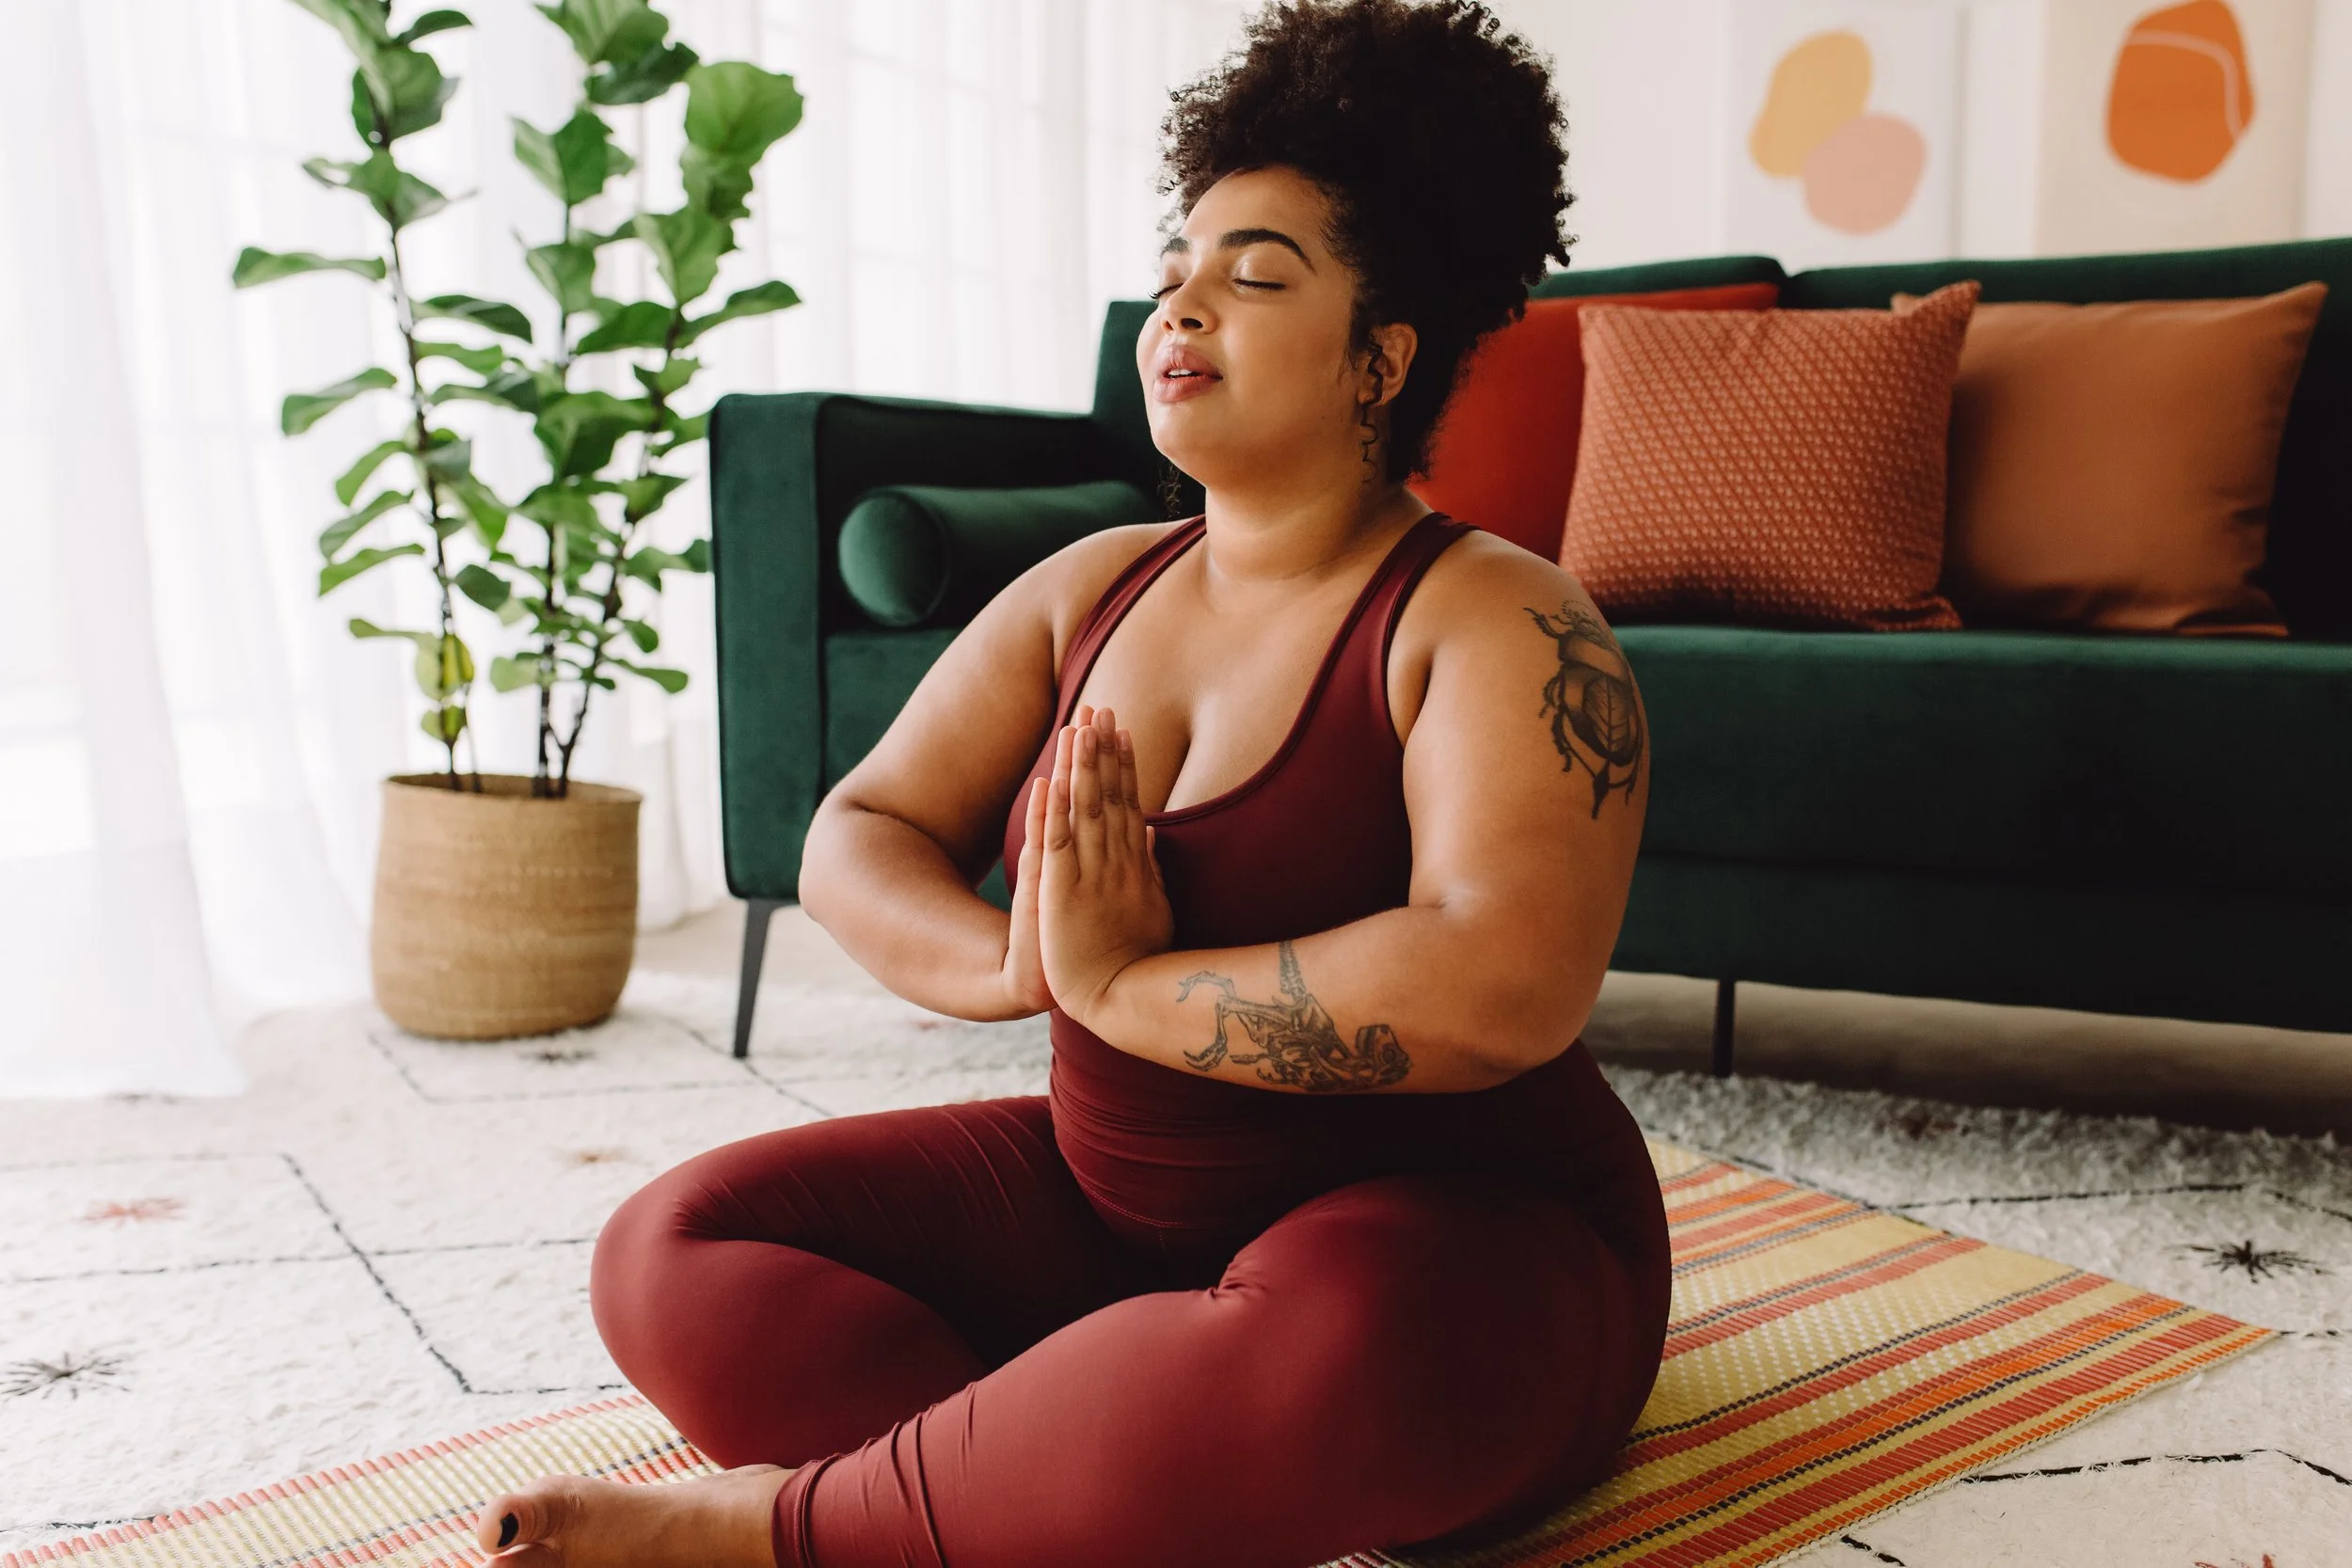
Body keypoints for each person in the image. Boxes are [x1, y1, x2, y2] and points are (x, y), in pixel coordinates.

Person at [474, 3, 1666, 1564]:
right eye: (1175, 269)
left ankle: (803, 1527)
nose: (1180, 307)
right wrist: (1015, 964)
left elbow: (1502, 982)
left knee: (1323, 1364)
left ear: (1381, 356)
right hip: (1113, 1225)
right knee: (671, 1247)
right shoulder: (1089, 586)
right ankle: (1034, 1483)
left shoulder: (1498, 618)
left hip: (1455, 1241)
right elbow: (856, 829)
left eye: (1252, 276)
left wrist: (1118, 983)